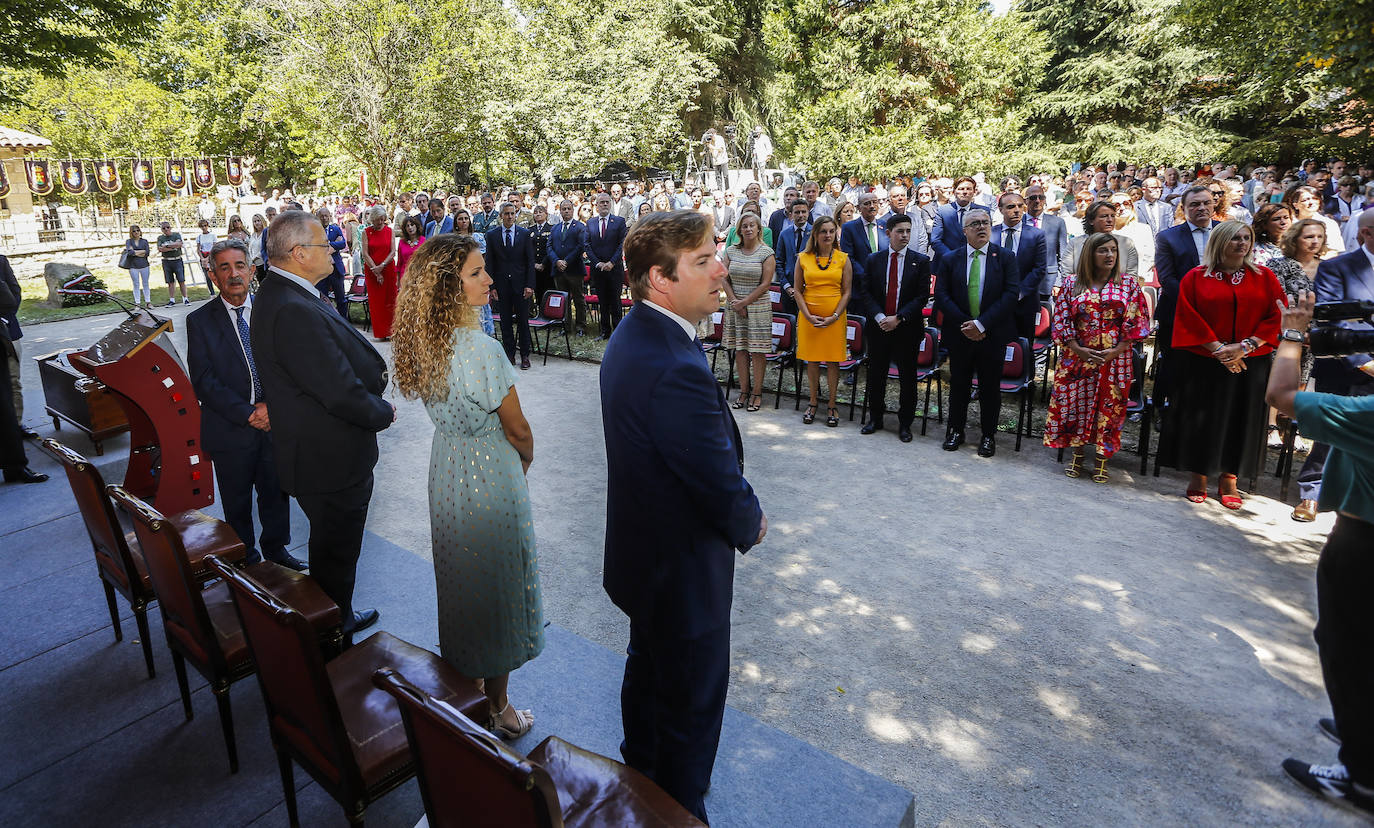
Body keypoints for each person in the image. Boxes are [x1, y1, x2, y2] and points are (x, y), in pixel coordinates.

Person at [600, 210, 766, 824]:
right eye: (703, 260)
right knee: (692, 697)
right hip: (680, 567)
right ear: (659, 280)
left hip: (647, 560)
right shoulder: (671, 361)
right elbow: (711, 474)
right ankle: (678, 806)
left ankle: (642, 779)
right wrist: (748, 519)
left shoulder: (636, 334)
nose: (721, 268)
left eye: (715, 254)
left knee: (649, 672)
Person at [390, 233, 543, 740]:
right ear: (448, 287)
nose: (489, 279)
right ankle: (497, 708)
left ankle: (467, 690)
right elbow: (517, 427)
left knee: (462, 586)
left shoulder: (423, 339)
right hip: (489, 473)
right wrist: (526, 455)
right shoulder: (481, 348)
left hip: (447, 469)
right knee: (498, 589)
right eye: (477, 272)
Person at [249, 209, 392, 641]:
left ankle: (339, 616)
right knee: (335, 556)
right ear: (297, 254)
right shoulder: (290, 307)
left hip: (316, 453)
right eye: (324, 245)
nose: (333, 249)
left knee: (334, 552)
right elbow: (336, 389)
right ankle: (333, 642)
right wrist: (381, 413)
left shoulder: (286, 293)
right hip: (328, 460)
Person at [1265, 290, 1374, 820]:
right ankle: (1363, 728)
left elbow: (1282, 395)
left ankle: (1362, 774)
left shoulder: (1367, 417)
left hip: (1363, 544)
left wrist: (1292, 334)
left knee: (1347, 645)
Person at [187, 239, 307, 572]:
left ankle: (276, 549)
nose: (233, 274)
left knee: (275, 492)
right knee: (237, 502)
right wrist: (248, 413)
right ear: (213, 275)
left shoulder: (276, 312)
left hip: (274, 423)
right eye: (224, 267)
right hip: (230, 429)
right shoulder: (200, 321)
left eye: (239, 265)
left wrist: (272, 407)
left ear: (253, 270)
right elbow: (204, 380)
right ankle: (246, 560)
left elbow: (292, 365)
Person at [1156, 220, 1285, 508]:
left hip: (1251, 361)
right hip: (1204, 361)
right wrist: (1219, 349)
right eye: (1235, 238)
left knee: (1242, 417)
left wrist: (1246, 346)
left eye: (1246, 238)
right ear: (1220, 242)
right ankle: (1199, 474)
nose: (1242, 243)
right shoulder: (1196, 277)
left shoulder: (1264, 277)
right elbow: (1188, 316)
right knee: (1204, 418)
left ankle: (1230, 478)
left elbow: (1278, 315)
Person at [1042, 234, 1150, 480]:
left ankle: (1102, 458)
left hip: (1116, 359)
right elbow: (1061, 319)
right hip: (1077, 357)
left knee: (1110, 409)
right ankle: (1077, 455)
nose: (1110, 255)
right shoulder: (1072, 284)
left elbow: (1136, 322)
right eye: (1103, 250)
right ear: (1090, 254)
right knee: (1076, 406)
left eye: (1113, 250)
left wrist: (1116, 350)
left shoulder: (1129, 285)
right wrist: (1077, 348)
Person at [1291, 209, 1374, 521]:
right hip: (1346, 367)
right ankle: (1312, 491)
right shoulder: (1337, 268)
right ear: (1366, 233)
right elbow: (1330, 320)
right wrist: (1364, 362)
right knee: (1333, 431)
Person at [934, 207, 1020, 457]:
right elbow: (942, 295)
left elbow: (1010, 295)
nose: (981, 227)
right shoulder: (951, 259)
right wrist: (967, 325)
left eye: (985, 222)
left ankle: (988, 436)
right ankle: (955, 431)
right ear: (964, 231)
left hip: (992, 335)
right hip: (960, 334)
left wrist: (982, 324)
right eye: (975, 224)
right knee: (959, 385)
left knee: (989, 387)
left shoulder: (1004, 257)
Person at [854, 213, 930, 441]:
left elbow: (922, 297)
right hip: (878, 328)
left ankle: (905, 423)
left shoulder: (921, 261)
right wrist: (879, 316)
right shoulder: (873, 260)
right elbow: (866, 292)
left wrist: (898, 318)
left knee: (908, 378)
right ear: (888, 234)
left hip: (907, 328)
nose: (905, 235)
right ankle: (875, 418)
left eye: (908, 231)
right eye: (900, 231)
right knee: (876, 375)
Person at [1153, 185, 1220, 408]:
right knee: (1173, 365)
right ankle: (1168, 410)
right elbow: (1167, 279)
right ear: (1184, 208)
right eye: (1194, 204)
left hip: (1218, 313)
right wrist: (1196, 302)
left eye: (1206, 203)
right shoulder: (1168, 237)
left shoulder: (1226, 233)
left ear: (1214, 205)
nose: (1201, 208)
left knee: (1209, 365)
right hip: (1178, 311)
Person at [794, 215, 852, 428]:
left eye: (831, 231)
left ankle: (831, 404)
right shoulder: (803, 258)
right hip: (809, 317)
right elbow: (797, 291)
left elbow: (847, 292)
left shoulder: (844, 258)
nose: (828, 235)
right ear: (815, 235)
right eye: (823, 231)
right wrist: (808, 315)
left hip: (835, 318)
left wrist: (834, 316)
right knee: (812, 360)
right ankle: (812, 401)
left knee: (833, 360)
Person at [720, 212, 776, 413]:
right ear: (739, 230)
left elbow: (766, 284)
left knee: (757, 351)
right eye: (745, 226)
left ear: (759, 229)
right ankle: (743, 391)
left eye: (752, 225)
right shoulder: (732, 252)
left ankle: (757, 392)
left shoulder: (766, 253)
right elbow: (724, 278)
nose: (749, 229)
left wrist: (744, 302)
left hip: (758, 307)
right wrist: (735, 302)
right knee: (740, 350)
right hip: (735, 305)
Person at [0, 254, 45, 485]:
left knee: (10, 391)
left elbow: (11, 297)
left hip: (5, 332)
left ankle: (14, 458)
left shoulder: (0, 261)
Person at [485, 202, 536, 369]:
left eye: (512, 213)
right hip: (501, 285)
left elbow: (530, 262)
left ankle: (525, 355)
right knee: (505, 322)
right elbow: (490, 263)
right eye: (506, 214)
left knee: (523, 321)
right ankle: (509, 354)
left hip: (521, 285)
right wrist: (491, 287)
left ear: (516, 215)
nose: (509, 216)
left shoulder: (524, 234)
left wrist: (529, 285)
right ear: (501, 216)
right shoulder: (492, 235)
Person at [991, 191, 1046, 339]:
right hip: (994, 302)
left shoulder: (1036, 235)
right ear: (1000, 209)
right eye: (1010, 206)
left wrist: (1018, 293)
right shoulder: (990, 233)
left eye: (1020, 206)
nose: (1016, 210)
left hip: (1024, 302)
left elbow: (1039, 268)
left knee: (1023, 350)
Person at [586, 193, 628, 339]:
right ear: (596, 205)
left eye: (606, 202)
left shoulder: (619, 221)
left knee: (615, 301)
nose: (604, 204)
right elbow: (587, 244)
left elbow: (621, 243)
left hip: (614, 269)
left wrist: (611, 262)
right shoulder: (590, 223)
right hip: (598, 269)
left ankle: (617, 332)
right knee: (602, 301)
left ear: (610, 204)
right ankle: (604, 331)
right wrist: (597, 263)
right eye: (601, 202)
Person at [1067, 202, 1139, 279]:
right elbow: (1067, 274)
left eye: (1113, 216)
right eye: (1104, 216)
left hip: (1119, 289)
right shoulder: (1075, 243)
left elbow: (1132, 276)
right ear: (1091, 220)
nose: (1110, 220)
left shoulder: (1126, 243)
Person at [548, 199, 588, 337]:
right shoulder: (555, 228)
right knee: (562, 299)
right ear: (560, 211)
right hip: (558, 270)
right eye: (563, 209)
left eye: (568, 208)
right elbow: (549, 247)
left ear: (573, 210)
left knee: (578, 299)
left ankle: (580, 326)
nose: (566, 211)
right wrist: (556, 261)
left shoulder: (580, 227)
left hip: (574, 269)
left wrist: (566, 261)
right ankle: (565, 326)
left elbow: (580, 246)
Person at [931, 176, 991, 264]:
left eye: (969, 189)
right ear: (954, 191)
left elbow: (987, 238)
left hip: (974, 261)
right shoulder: (943, 211)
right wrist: (951, 256)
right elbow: (935, 240)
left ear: (974, 192)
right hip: (948, 262)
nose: (965, 192)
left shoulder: (983, 211)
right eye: (961, 189)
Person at [362, 206, 398, 340]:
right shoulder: (366, 232)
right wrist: (376, 270)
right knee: (377, 302)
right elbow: (365, 253)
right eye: (378, 219)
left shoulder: (390, 231)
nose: (381, 222)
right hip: (371, 270)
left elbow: (393, 251)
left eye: (383, 219)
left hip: (388, 268)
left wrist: (382, 266)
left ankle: (392, 331)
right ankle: (381, 333)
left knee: (391, 299)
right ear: (373, 218)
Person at [840, 193, 887, 282]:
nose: (872, 206)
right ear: (858, 208)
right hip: (860, 281)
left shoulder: (885, 226)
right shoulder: (849, 228)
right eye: (867, 203)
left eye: (875, 202)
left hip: (883, 280)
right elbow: (848, 256)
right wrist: (864, 274)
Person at [1286, 185, 1345, 253]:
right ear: (1295, 205)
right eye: (1305, 200)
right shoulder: (1289, 223)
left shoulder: (1329, 224)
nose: (1311, 202)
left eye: (1315, 198)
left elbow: (1336, 249)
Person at [317, 207, 350, 317]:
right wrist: (333, 244)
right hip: (321, 270)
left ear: (330, 216)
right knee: (323, 299)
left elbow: (343, 244)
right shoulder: (314, 231)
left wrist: (329, 245)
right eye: (322, 216)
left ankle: (344, 322)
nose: (324, 218)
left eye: (326, 216)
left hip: (336, 269)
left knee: (341, 299)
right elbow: (316, 246)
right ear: (318, 217)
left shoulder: (335, 229)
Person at [1251, 203, 1294, 269]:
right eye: (1276, 219)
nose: (1283, 222)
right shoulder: (1255, 248)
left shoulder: (1299, 244)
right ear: (1264, 224)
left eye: (1286, 217)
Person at [156, 221, 189, 307]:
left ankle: (185, 298)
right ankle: (172, 300)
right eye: (164, 228)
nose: (166, 229)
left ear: (170, 227)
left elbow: (179, 244)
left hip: (177, 260)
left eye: (167, 227)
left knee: (181, 280)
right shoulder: (160, 238)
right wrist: (173, 247)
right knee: (170, 282)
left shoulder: (176, 235)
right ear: (161, 230)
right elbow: (160, 249)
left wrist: (166, 246)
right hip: (167, 261)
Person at [122, 225, 153, 309]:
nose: (136, 232)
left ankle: (148, 302)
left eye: (137, 230)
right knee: (136, 284)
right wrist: (141, 252)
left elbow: (147, 253)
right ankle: (137, 303)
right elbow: (130, 253)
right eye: (134, 231)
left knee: (145, 283)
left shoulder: (144, 241)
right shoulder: (129, 241)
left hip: (144, 265)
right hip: (133, 266)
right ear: (131, 233)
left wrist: (136, 252)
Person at [529, 204, 554, 301]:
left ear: (546, 214)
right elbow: (528, 249)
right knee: (538, 291)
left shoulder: (552, 228)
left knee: (548, 291)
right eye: (535, 212)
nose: (538, 214)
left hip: (547, 265)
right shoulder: (530, 230)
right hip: (534, 266)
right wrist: (534, 264)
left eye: (540, 212)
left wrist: (543, 263)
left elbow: (551, 247)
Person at [395, 214, 425, 285]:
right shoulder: (402, 242)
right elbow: (399, 262)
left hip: (419, 275)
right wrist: (398, 280)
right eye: (407, 226)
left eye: (412, 225)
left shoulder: (423, 240)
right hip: (404, 276)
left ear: (416, 226)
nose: (410, 227)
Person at [194, 220, 218, 297]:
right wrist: (202, 258)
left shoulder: (212, 236)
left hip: (211, 256)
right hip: (204, 257)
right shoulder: (199, 237)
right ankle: (212, 293)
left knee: (216, 274)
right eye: (202, 226)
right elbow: (198, 249)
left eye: (205, 226)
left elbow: (214, 247)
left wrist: (208, 258)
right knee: (207, 276)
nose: (204, 228)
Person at [248, 214, 268, 282]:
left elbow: (264, 248)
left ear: (262, 221)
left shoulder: (266, 233)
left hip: (263, 263)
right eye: (254, 221)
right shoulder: (253, 235)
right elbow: (250, 249)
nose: (256, 223)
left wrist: (254, 258)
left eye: (258, 220)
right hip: (255, 264)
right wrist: (251, 259)